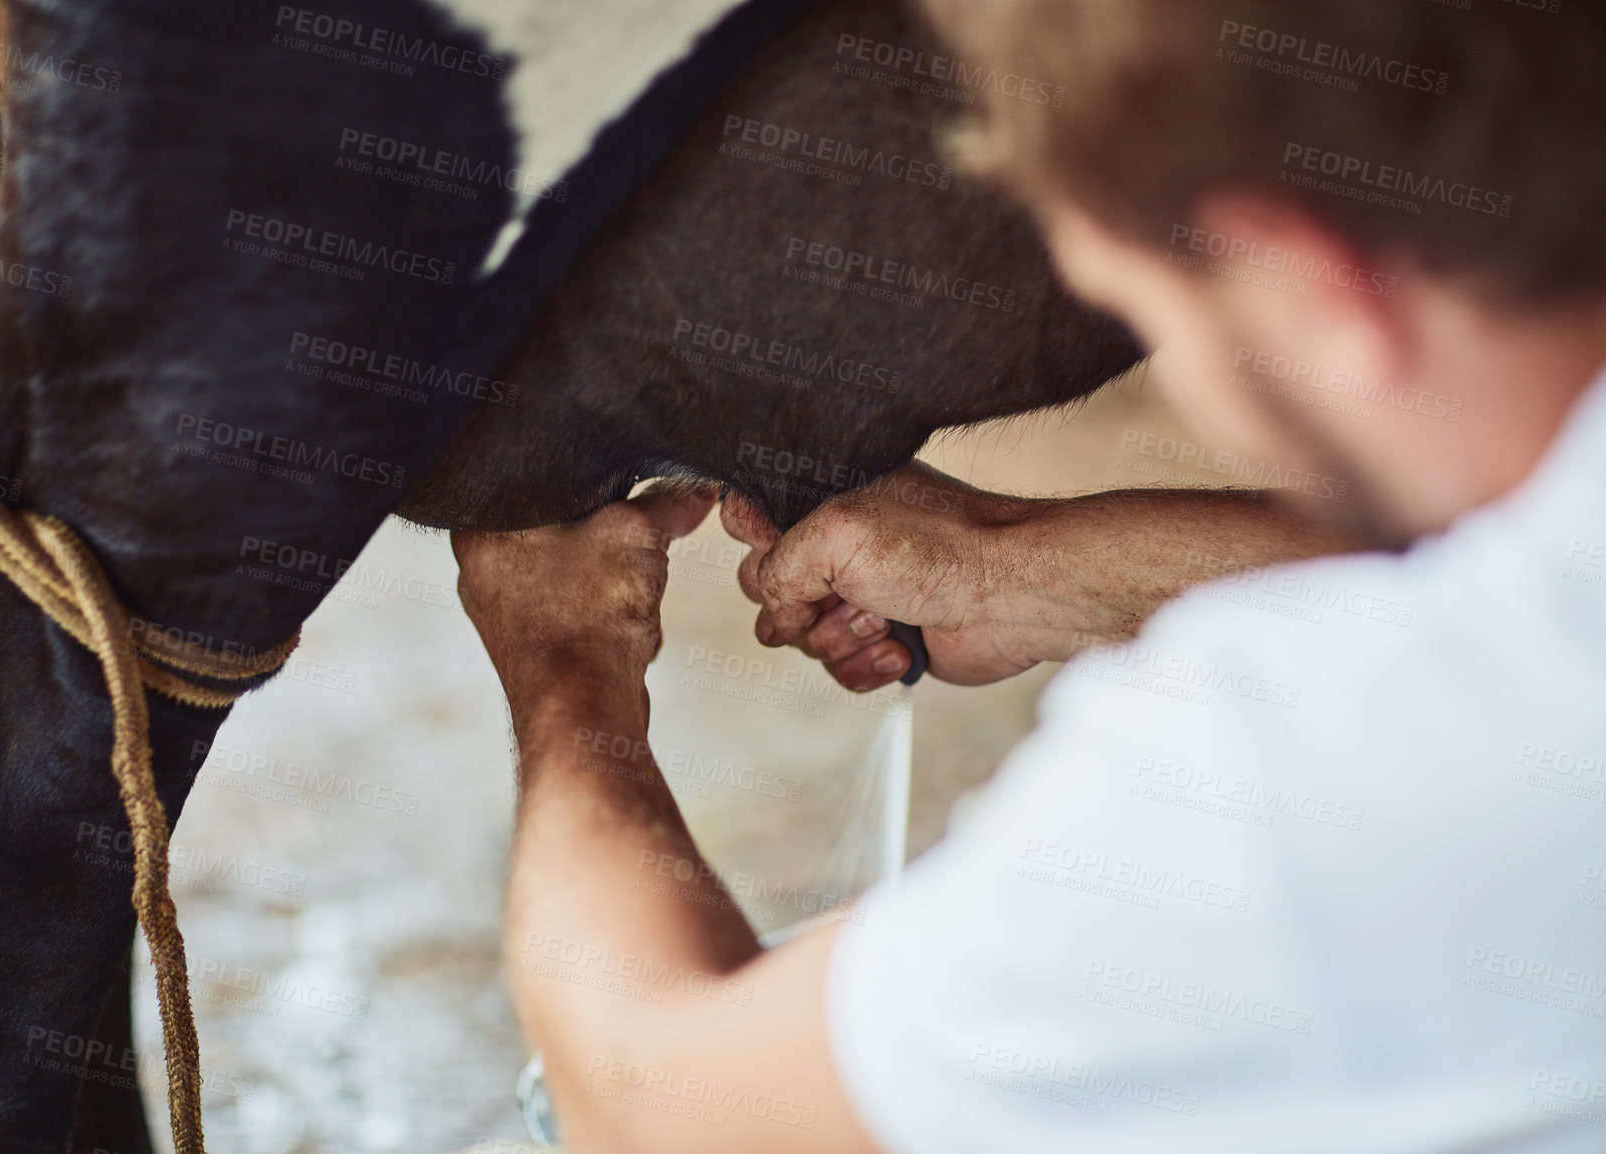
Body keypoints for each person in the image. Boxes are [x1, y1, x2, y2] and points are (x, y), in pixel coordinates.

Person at [451, 1, 1606, 1150]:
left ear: (1320, 292)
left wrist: (567, 662)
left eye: (1153, 310)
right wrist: (1018, 563)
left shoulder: (1288, 799)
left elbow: (649, 1099)